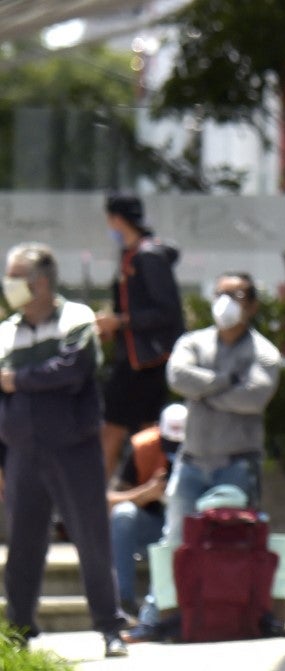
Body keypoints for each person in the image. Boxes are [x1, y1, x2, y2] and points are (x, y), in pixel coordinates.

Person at [0, 242, 128, 657]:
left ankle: (110, 627)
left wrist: (19, 380)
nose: (8, 284)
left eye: (15, 276)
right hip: (22, 450)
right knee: (22, 543)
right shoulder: (6, 331)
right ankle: (19, 630)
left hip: (73, 447)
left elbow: (74, 371)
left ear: (39, 282)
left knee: (91, 537)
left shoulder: (76, 318)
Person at [163, 271, 282, 544]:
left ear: (252, 306)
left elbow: (253, 397)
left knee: (232, 544)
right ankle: (170, 590)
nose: (225, 302)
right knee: (178, 543)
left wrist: (203, 393)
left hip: (236, 466)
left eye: (236, 296)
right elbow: (178, 377)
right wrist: (226, 381)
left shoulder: (264, 353)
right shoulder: (192, 342)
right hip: (191, 464)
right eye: (220, 295)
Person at [96, 193, 185, 480]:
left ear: (117, 220)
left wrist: (120, 322)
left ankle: (93, 505)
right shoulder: (131, 255)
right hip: (135, 357)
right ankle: (141, 495)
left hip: (146, 361)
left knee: (116, 429)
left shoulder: (148, 257)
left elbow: (166, 312)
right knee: (143, 431)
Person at [107, 402, 186, 616]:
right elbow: (109, 501)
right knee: (123, 515)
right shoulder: (142, 447)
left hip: (189, 527)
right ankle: (123, 601)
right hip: (154, 526)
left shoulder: (206, 450)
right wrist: (146, 494)